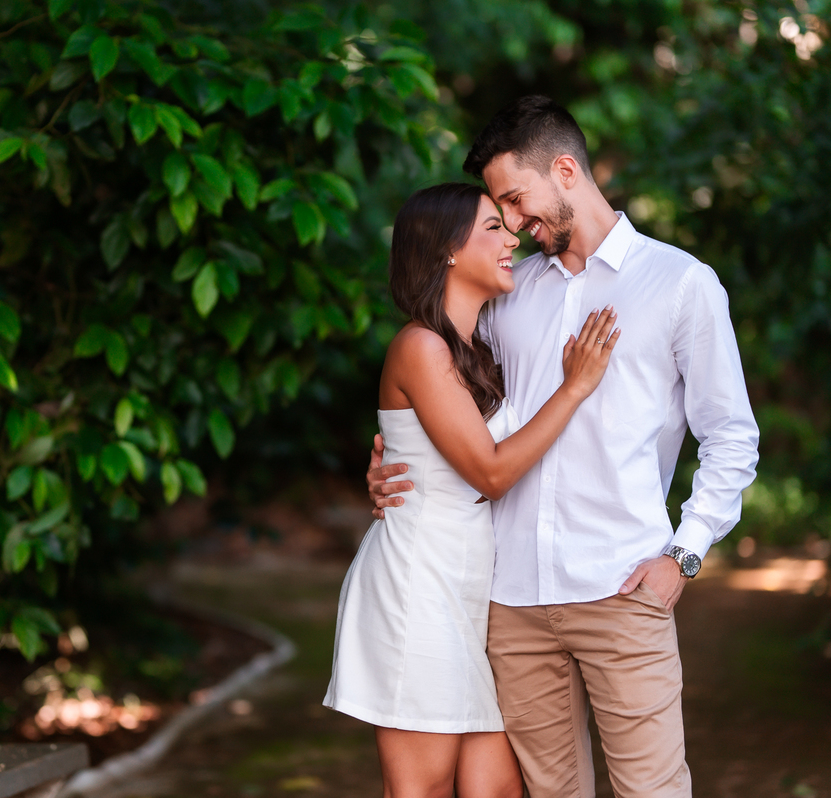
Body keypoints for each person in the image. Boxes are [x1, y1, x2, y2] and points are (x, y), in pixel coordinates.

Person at [367, 96, 760, 798]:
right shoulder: (509, 295)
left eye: (516, 200)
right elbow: (456, 402)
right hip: (510, 596)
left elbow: (731, 437)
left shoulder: (680, 284)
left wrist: (685, 554)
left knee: (652, 790)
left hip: (622, 586)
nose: (514, 223)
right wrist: (397, 461)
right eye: (500, 210)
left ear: (566, 169)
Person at [325, 181, 620, 798]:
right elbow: (488, 471)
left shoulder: (476, 349)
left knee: (497, 789)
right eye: (492, 226)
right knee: (421, 790)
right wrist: (574, 387)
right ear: (447, 251)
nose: (511, 236)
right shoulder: (420, 346)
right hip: (417, 587)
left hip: (467, 595)